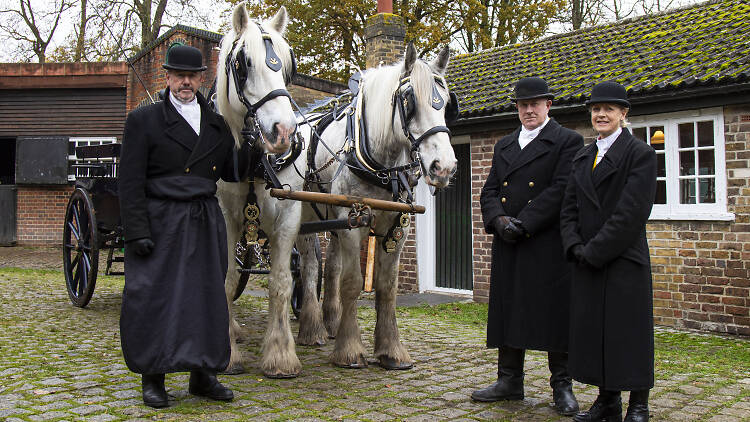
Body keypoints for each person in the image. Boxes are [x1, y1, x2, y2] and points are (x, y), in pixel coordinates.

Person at [119, 43, 245, 408]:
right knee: (154, 297)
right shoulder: (143, 121)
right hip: (160, 221)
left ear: (200, 78)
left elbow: (232, 173)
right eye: (179, 75)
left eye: (192, 76)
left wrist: (249, 140)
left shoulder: (218, 125)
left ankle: (203, 375)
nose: (185, 82)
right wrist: (137, 230)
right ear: (168, 76)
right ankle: (153, 377)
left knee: (205, 297)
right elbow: (129, 182)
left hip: (205, 220)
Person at [474, 77, 583, 416]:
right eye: (523, 104)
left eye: (535, 103)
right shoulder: (505, 144)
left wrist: (525, 222)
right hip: (509, 241)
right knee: (509, 309)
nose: (529, 110)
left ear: (548, 105)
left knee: (554, 312)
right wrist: (498, 220)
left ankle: (561, 386)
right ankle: (509, 380)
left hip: (546, 241)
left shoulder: (567, 140)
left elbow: (562, 188)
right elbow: (490, 190)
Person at [560, 81, 656, 422]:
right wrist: (574, 245)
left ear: (623, 114)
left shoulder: (640, 154)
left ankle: (638, 404)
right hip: (586, 259)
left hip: (623, 259)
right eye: (596, 109)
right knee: (597, 334)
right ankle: (607, 401)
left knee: (629, 332)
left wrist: (596, 250)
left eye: (609, 109)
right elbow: (568, 206)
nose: (601, 114)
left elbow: (631, 213)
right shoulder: (583, 155)